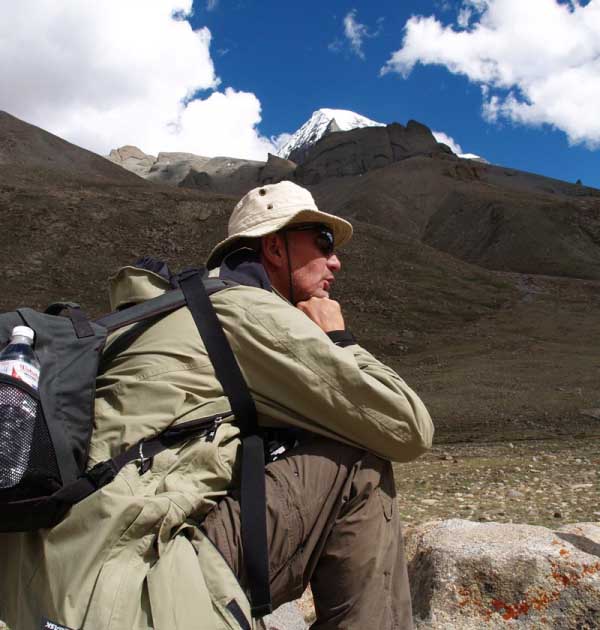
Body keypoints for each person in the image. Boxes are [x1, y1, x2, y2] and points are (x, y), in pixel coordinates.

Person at [0, 181, 433, 630]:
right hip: (122, 594)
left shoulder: (170, 310)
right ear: (275, 248)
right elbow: (407, 427)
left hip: (43, 590)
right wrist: (339, 338)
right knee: (360, 460)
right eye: (322, 242)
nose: (335, 260)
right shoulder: (247, 311)